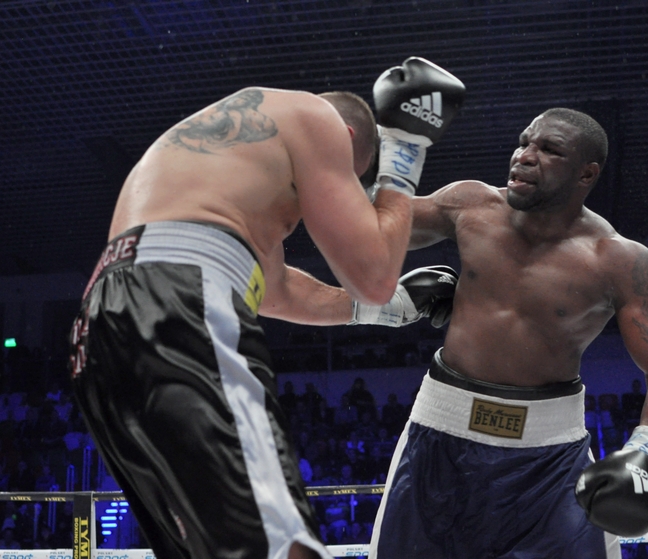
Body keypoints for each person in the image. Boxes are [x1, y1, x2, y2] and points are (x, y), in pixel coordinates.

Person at [68, 57, 465, 559]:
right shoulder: (316, 119)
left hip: (99, 331)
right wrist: (406, 149)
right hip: (181, 303)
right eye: (347, 177)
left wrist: (389, 310)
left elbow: (277, 292)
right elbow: (372, 275)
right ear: (344, 138)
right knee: (283, 548)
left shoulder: (226, 164)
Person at [305, 108, 648, 558]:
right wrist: (380, 152)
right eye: (524, 142)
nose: (525, 156)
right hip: (439, 433)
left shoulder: (618, 260)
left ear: (586, 174)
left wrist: (646, 452)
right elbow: (366, 224)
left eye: (549, 149)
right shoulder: (471, 206)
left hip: (550, 455)